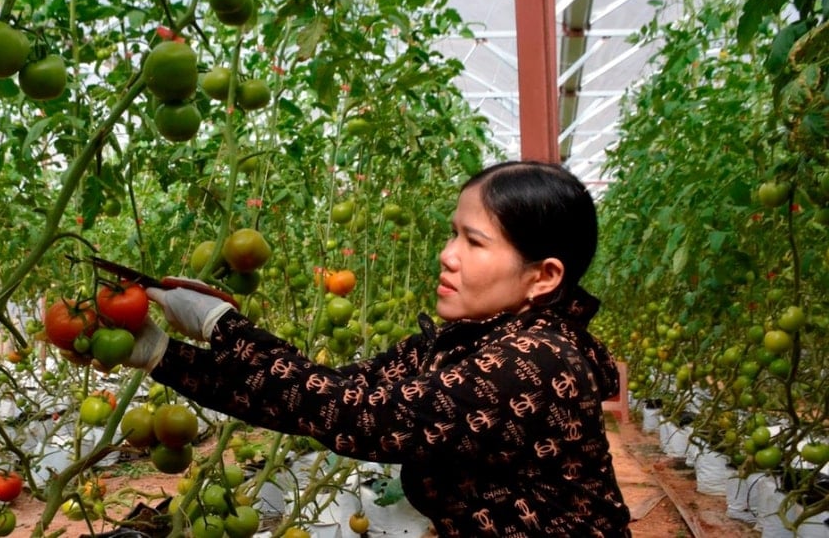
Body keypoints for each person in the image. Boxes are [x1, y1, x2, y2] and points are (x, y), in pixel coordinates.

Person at [74, 160, 631, 537]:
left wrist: (225, 326)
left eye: (474, 241)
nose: (447, 254)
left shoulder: (536, 361)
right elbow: (325, 392)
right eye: (452, 233)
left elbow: (353, 417)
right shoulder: (472, 339)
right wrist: (164, 355)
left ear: (544, 276)